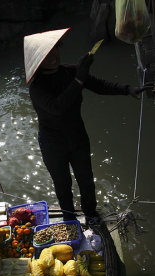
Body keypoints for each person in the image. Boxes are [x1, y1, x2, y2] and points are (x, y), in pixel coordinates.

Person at [24, 28, 151, 225]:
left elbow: (99, 85)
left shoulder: (71, 71)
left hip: (77, 136)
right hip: (52, 143)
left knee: (86, 179)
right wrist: (79, 78)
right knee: (62, 183)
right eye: (47, 54)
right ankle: (68, 219)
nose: (53, 56)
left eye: (55, 50)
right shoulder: (37, 87)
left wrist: (127, 89)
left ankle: (91, 215)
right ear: (38, 60)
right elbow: (57, 107)